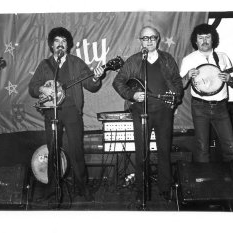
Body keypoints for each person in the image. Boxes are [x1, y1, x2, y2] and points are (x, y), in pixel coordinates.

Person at [29, 27, 104, 202]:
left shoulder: (76, 63)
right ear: (51, 45)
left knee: (77, 150)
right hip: (51, 112)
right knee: (53, 151)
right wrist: (42, 87)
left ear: (68, 45)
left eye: (64, 41)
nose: (60, 44)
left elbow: (91, 86)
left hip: (72, 112)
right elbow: (32, 88)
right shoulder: (44, 65)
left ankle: (82, 188)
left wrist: (96, 78)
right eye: (57, 41)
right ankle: (52, 190)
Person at [112, 26, 183, 202]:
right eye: (145, 38)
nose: (149, 41)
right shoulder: (134, 60)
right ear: (140, 41)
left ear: (158, 39)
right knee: (141, 152)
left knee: (164, 151)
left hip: (164, 112)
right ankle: (141, 190)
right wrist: (132, 95)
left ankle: (165, 189)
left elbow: (177, 82)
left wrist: (175, 98)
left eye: (152, 37)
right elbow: (118, 81)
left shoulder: (167, 59)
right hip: (140, 112)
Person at [180, 23, 233, 163]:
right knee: (202, 147)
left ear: (213, 40)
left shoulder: (223, 57)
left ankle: (231, 179)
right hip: (200, 107)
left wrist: (230, 78)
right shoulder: (189, 59)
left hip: (221, 107)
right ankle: (203, 182)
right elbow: (180, 86)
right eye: (201, 38)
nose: (204, 41)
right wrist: (188, 75)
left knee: (230, 146)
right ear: (196, 40)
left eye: (208, 37)